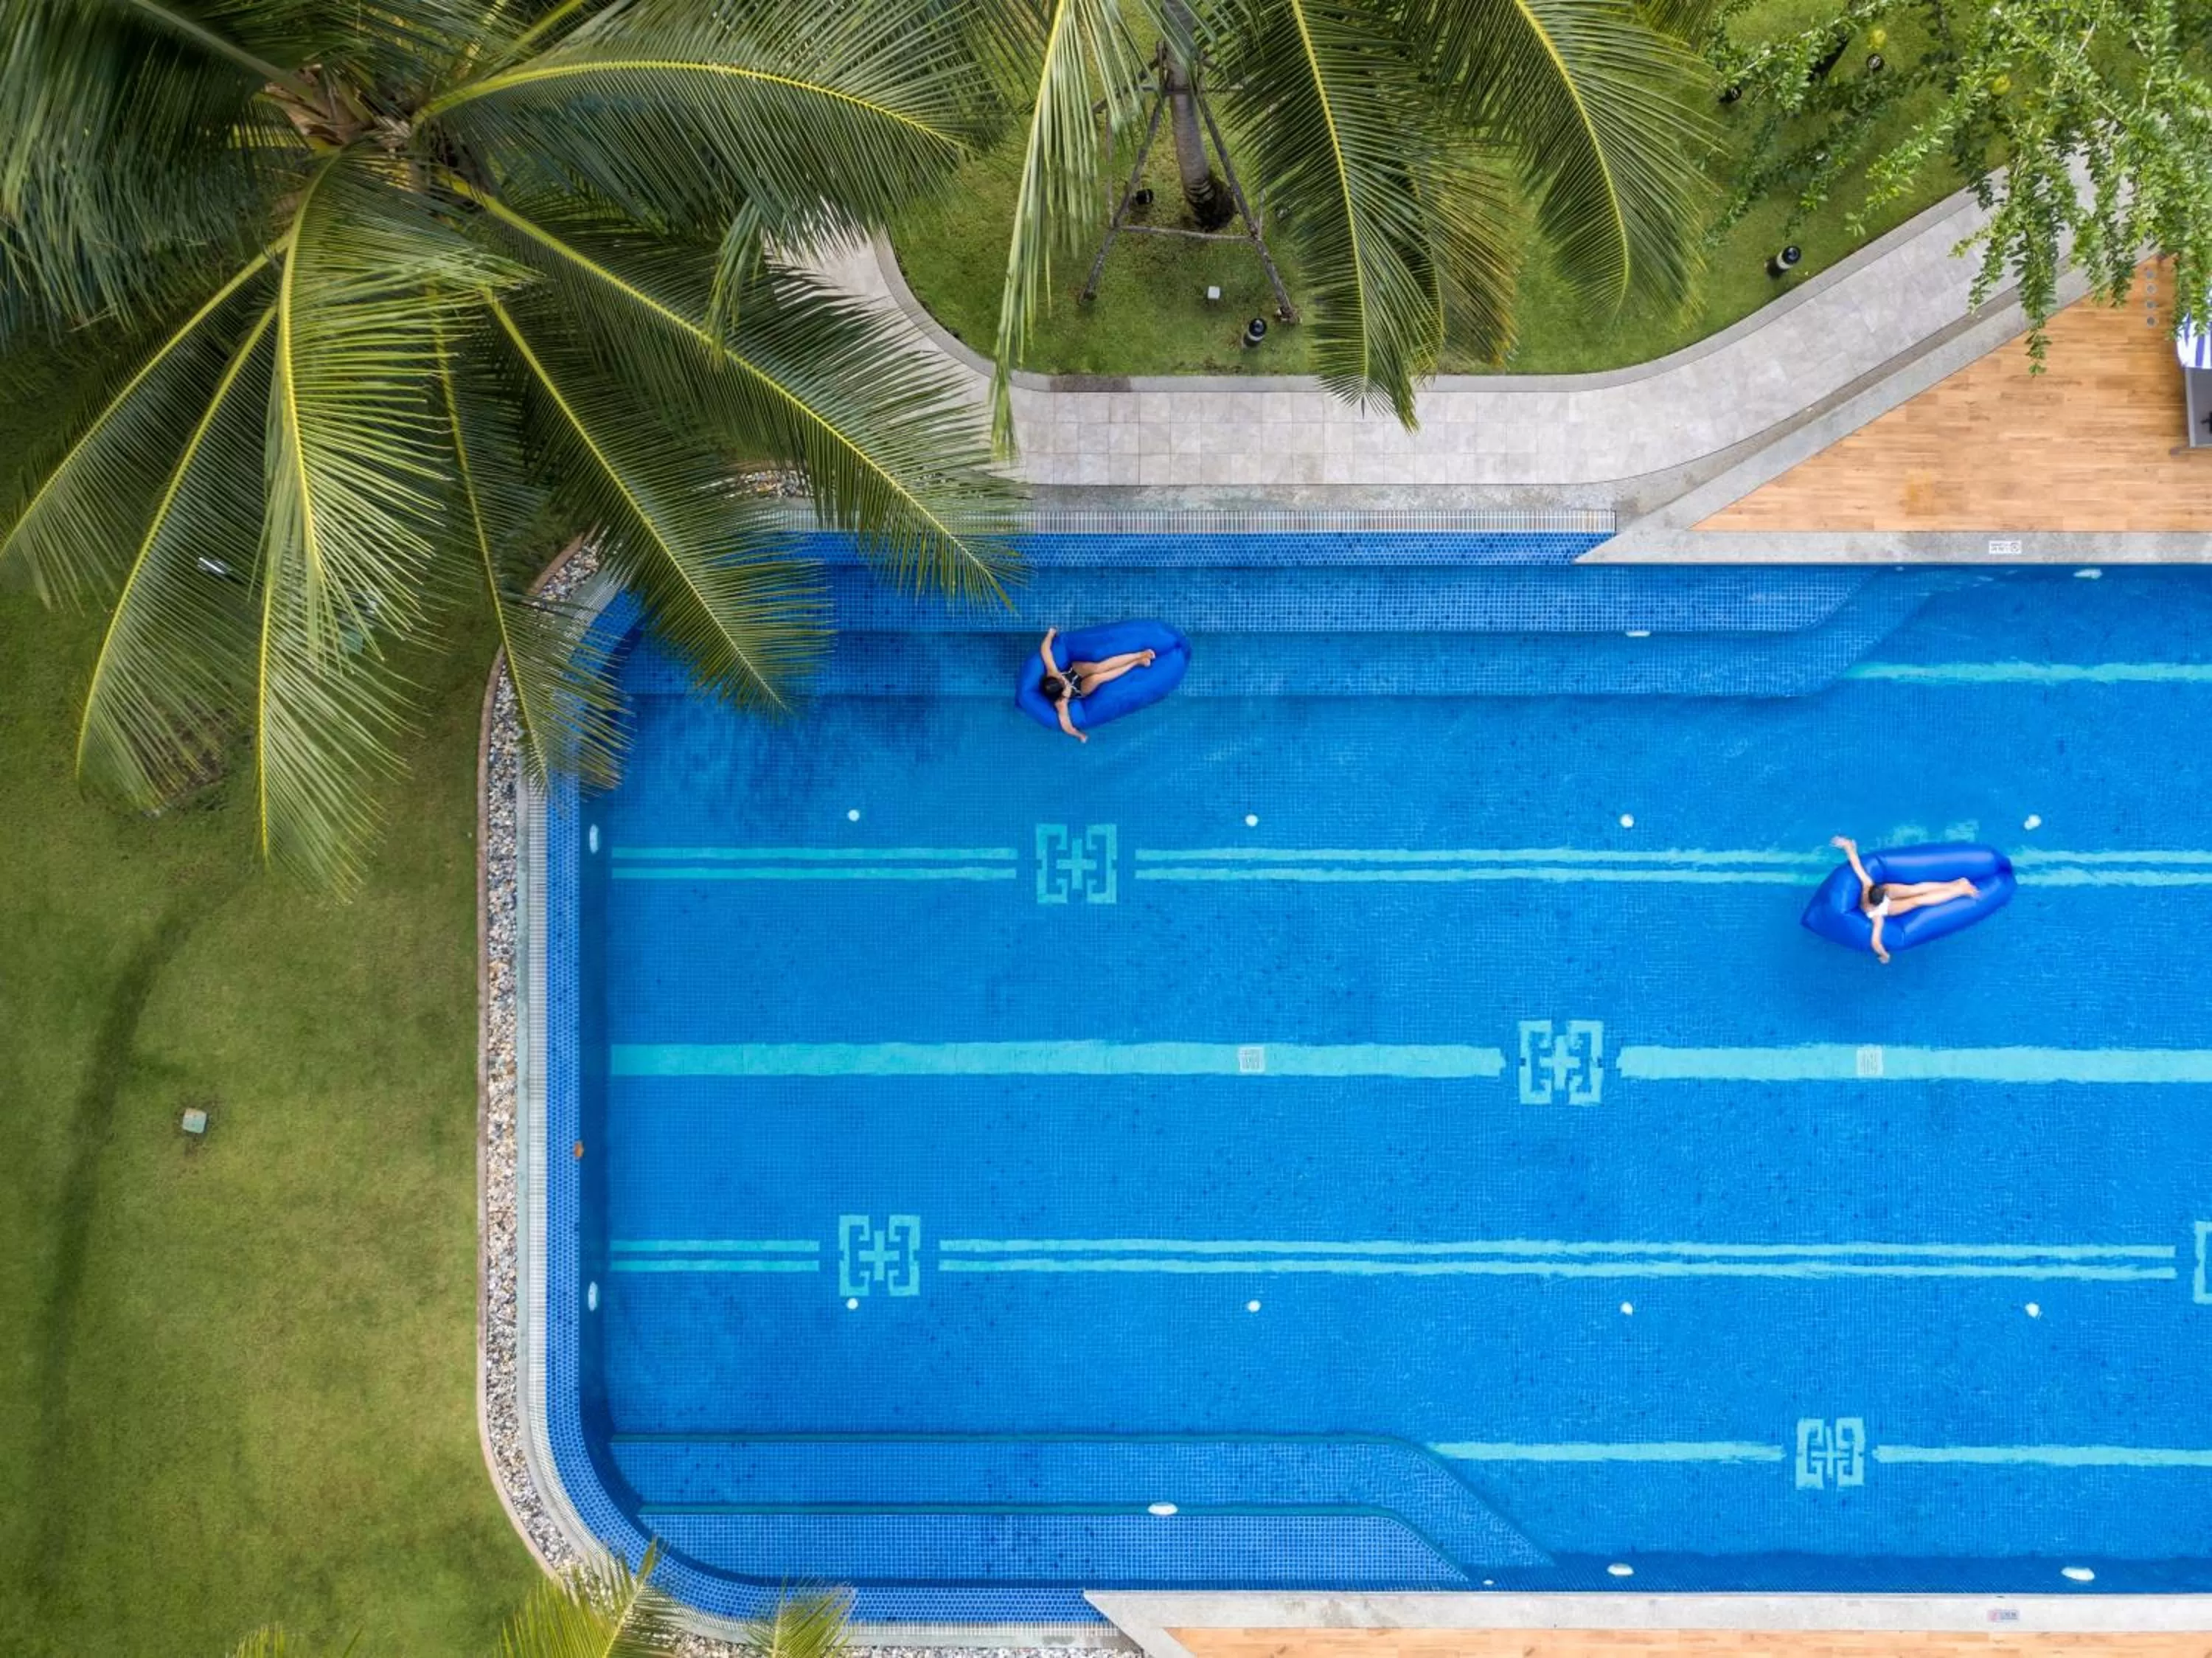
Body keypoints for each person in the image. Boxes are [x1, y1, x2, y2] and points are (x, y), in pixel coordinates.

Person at [1830, 835, 1979, 964]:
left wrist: (1885, 956)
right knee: (1916, 893)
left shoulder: (1870, 895)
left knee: (1918, 897)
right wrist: (1848, 845)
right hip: (1885, 900)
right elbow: (1856, 864)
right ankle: (1957, 885)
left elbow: (1875, 942)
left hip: (1885, 902)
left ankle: (1959, 889)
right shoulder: (1872, 891)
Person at [1037, 626, 1155, 743]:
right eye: (1063, 684)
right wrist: (1079, 735)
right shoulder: (1061, 703)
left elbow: (1045, 651)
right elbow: (1066, 725)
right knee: (1098, 677)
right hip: (1079, 689)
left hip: (1074, 671)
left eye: (1060, 679)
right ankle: (1136, 663)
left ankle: (1139, 654)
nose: (1063, 680)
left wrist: (1050, 634)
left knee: (1098, 667)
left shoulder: (1052, 673)